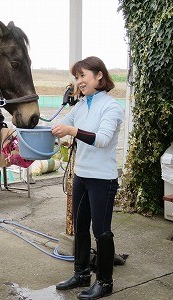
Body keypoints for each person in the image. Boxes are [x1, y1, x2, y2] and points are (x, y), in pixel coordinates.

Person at [51, 56, 124, 299]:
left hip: (102, 179)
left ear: (99, 75)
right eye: (76, 77)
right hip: (81, 175)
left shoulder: (112, 107)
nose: (79, 81)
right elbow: (60, 124)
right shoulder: (81, 106)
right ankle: (81, 273)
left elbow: (102, 140)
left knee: (101, 231)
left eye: (83, 76)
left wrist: (72, 131)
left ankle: (104, 282)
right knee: (80, 227)